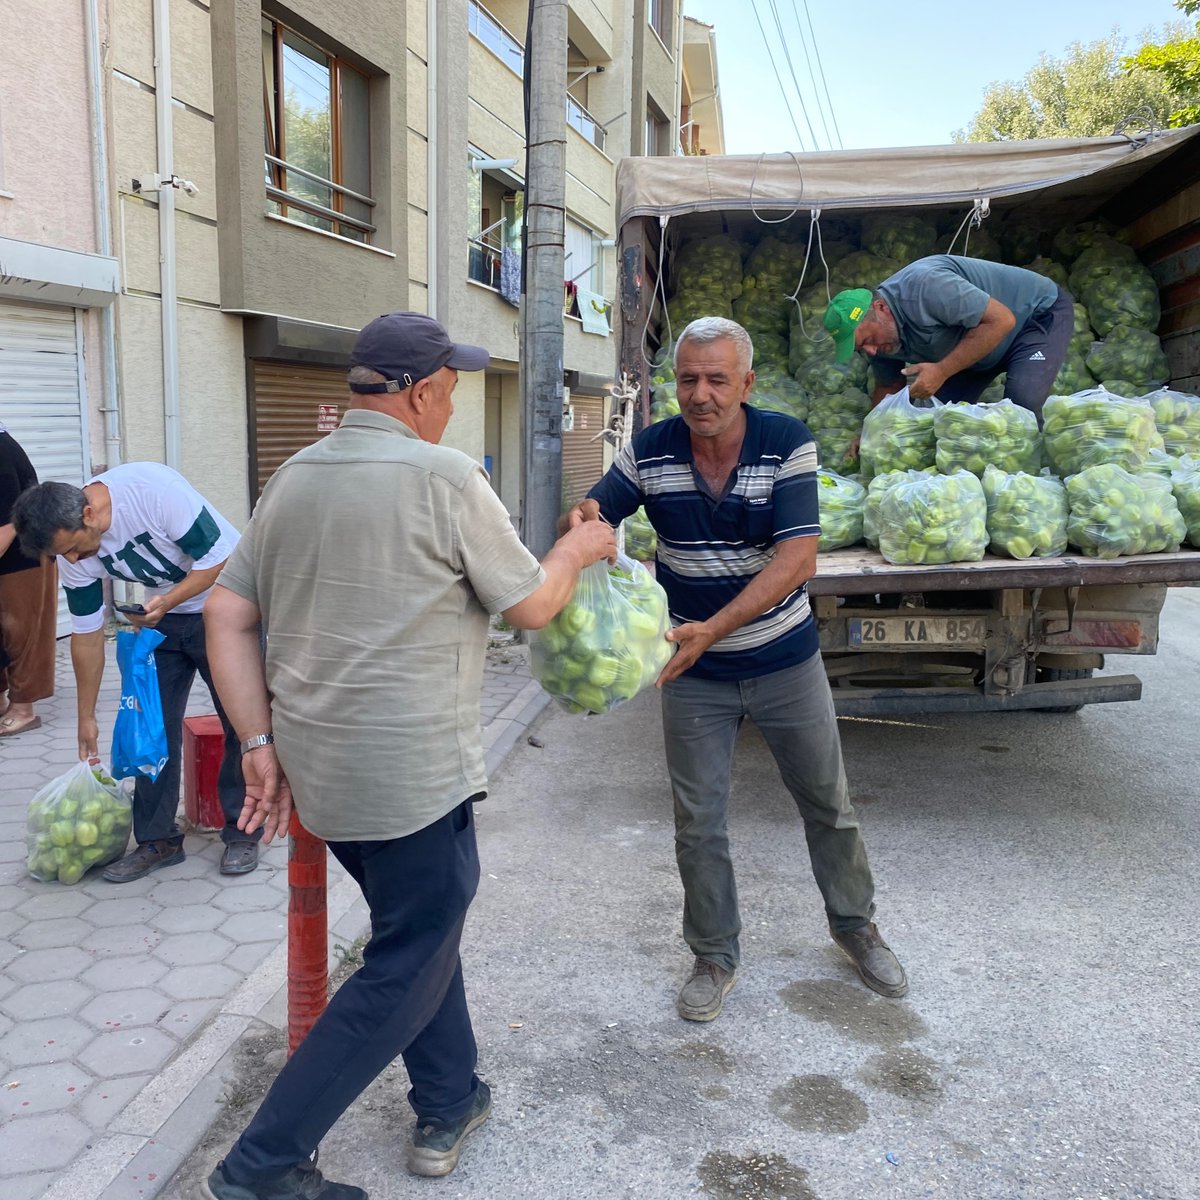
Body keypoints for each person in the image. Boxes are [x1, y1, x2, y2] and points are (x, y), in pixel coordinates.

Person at [197, 310, 615, 1200]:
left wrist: (258, 742)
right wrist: (580, 547)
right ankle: (261, 1166)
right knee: (403, 961)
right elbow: (533, 607)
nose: (454, 407)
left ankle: (448, 1097)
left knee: (419, 934)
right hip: (410, 777)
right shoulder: (446, 476)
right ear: (423, 392)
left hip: (321, 770)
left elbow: (225, 614)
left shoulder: (293, 476)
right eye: (453, 391)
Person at [565, 315, 907, 1025]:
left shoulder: (786, 442)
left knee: (827, 804)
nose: (701, 393)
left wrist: (714, 629)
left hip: (783, 659)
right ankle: (714, 954)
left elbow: (797, 560)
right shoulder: (652, 450)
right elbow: (601, 510)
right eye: (688, 378)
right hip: (693, 677)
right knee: (699, 821)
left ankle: (855, 927)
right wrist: (586, 524)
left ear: (746, 384)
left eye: (718, 378)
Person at [11, 465, 259, 881]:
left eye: (74, 548)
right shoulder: (70, 550)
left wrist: (169, 599)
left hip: (228, 607)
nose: (73, 560)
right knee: (149, 727)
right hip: (161, 622)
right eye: (62, 555)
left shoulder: (152, 492)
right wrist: (86, 715)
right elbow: (87, 634)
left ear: (89, 514)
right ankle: (158, 840)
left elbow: (223, 557)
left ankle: (243, 832)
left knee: (240, 722)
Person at [824, 253, 1073, 424]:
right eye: (860, 348)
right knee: (938, 419)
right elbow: (888, 387)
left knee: (1022, 404)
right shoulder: (882, 343)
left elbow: (1003, 320)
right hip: (976, 342)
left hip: (1032, 317)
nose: (871, 351)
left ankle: (1036, 473)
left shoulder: (926, 287)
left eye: (867, 339)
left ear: (881, 309)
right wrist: (870, 431)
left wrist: (942, 370)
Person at [0, 426, 56, 737]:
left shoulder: (2, 450)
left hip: (24, 556)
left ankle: (23, 708)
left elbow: (10, 520)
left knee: (20, 632)